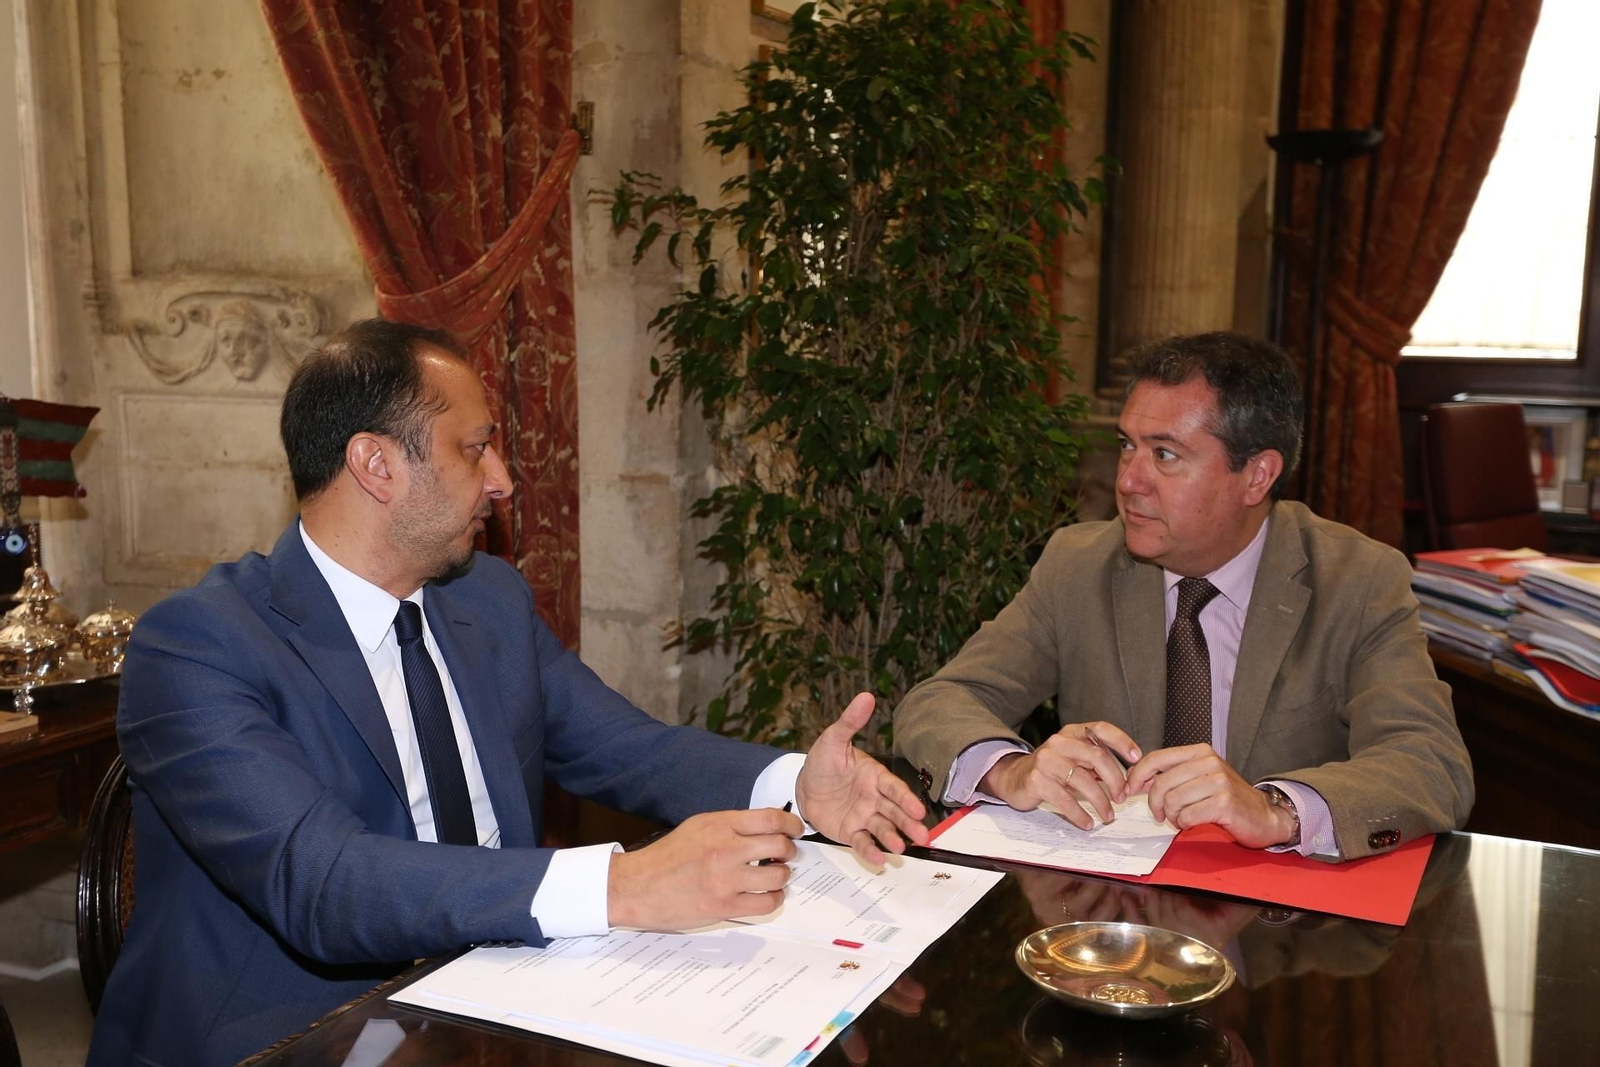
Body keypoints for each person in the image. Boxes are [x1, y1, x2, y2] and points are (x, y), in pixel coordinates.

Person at [88, 319, 929, 1067]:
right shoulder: (198, 645)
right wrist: (624, 885)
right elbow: (322, 882)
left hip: (504, 999)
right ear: (375, 464)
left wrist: (792, 785)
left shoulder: (483, 599)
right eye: (472, 447)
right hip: (295, 1034)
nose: (502, 479)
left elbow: (622, 745)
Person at [894, 331, 1472, 862]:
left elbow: (1431, 762)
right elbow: (940, 701)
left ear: (1257, 476)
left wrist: (1277, 809)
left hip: (1278, 936)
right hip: (1109, 916)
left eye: (1164, 454)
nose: (1127, 481)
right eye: (1127, 445)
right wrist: (1011, 770)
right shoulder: (1080, 565)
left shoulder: (1357, 580)